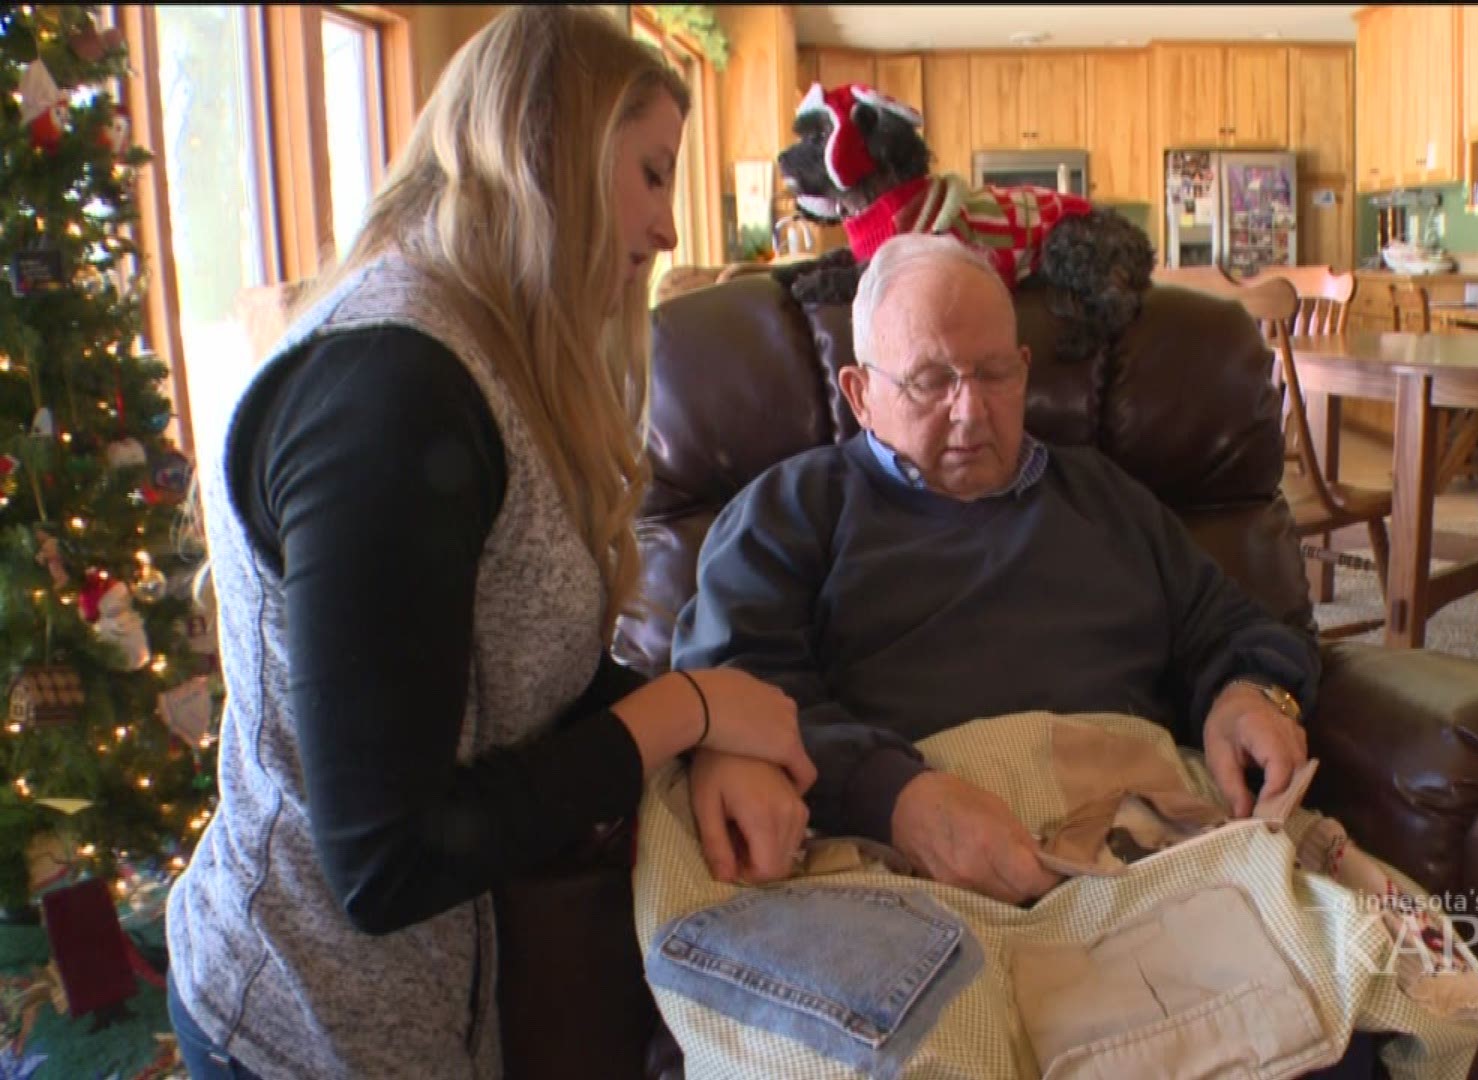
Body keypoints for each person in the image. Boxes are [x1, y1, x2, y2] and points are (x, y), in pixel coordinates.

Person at [163, 8, 813, 1079]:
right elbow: (384, 861)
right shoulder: (390, 391)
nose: (664, 230)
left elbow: (506, 686)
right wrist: (687, 707)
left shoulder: (476, 354)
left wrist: (706, 731)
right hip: (294, 1027)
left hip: (417, 1020)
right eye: (650, 175)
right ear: (546, 150)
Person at [673, 232, 1321, 906]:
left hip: (1133, 844)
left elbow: (1231, 627)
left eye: (994, 374)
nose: (971, 410)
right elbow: (731, 691)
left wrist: (1250, 692)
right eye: (931, 380)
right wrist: (893, 796)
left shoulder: (1104, 497)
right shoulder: (790, 510)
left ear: (1025, 369)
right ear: (860, 394)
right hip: (905, 864)